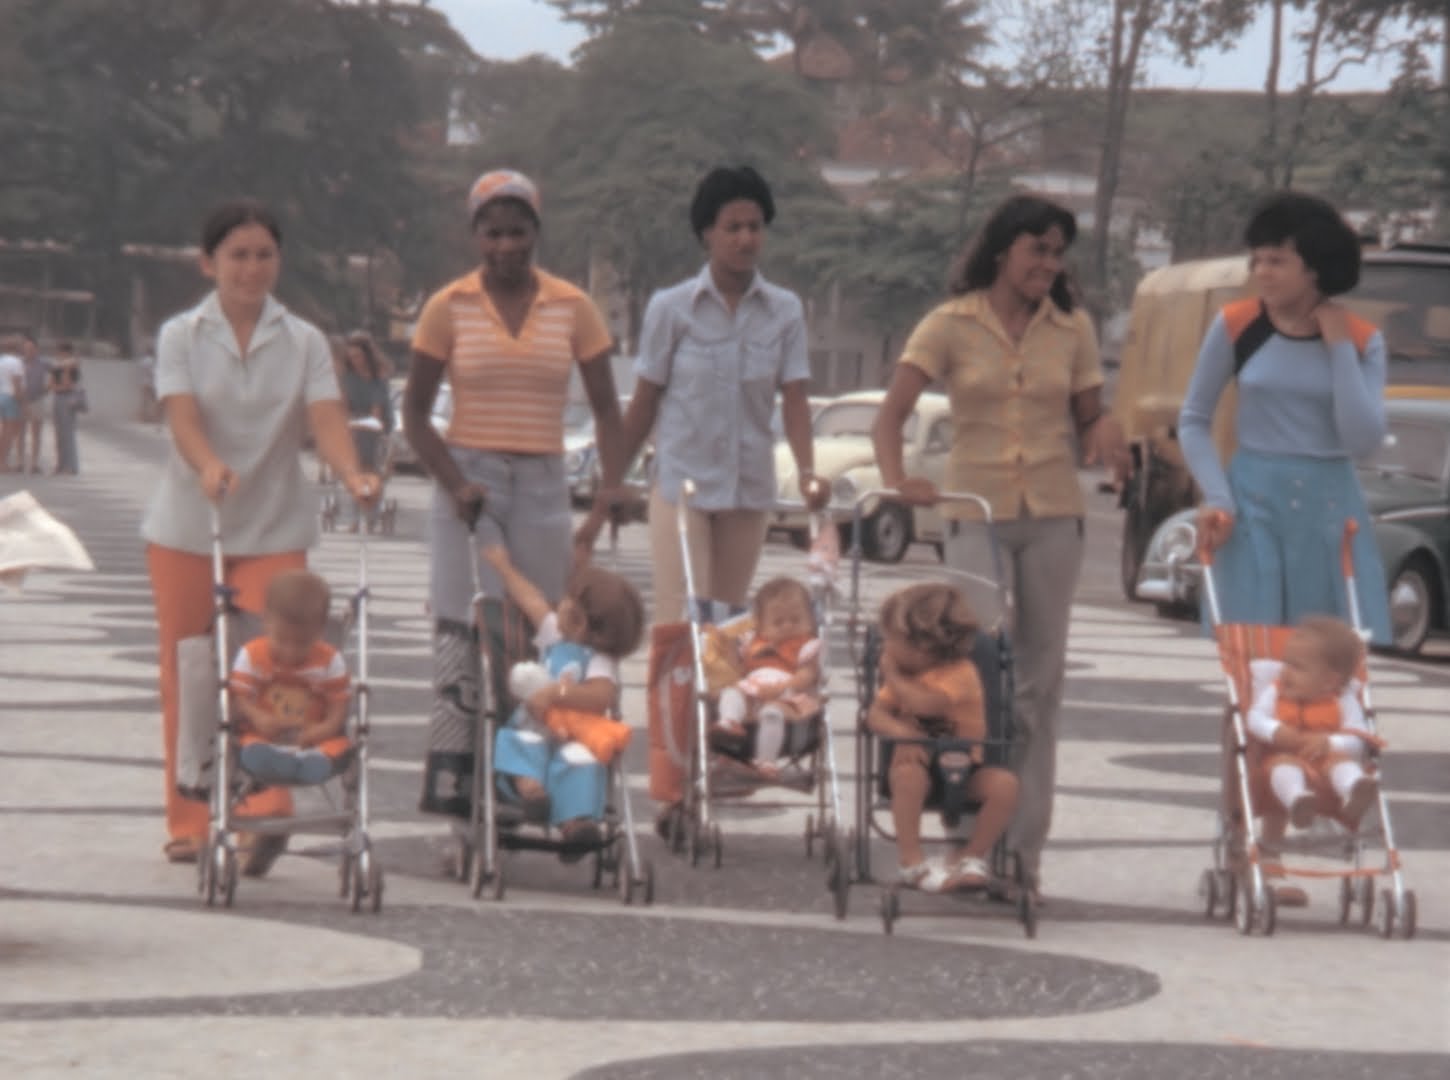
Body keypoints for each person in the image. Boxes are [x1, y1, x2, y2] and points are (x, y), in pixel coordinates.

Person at [871, 193, 1127, 901]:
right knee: (974, 676)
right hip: (972, 513)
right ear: (1002, 251)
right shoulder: (949, 324)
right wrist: (898, 482)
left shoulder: (1071, 328)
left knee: (1039, 686)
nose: (1048, 264)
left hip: (1052, 515)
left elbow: (1088, 415)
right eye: (1036, 249)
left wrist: (1106, 431)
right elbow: (890, 416)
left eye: (1056, 252)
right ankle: (967, 838)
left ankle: (1022, 852)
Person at [143, 198, 379, 872]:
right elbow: (182, 417)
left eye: (264, 255)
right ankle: (191, 817)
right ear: (209, 262)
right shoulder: (182, 335)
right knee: (191, 670)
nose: (251, 268)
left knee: (280, 658)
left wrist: (353, 473)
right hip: (192, 523)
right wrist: (210, 464)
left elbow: (326, 417)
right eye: (238, 255)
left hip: (275, 521)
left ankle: (265, 812)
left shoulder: (302, 339)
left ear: (279, 261)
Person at [403, 169, 626, 819]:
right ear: (475, 235)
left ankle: (535, 784)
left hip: (543, 484)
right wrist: (455, 482)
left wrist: (611, 490)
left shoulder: (572, 306)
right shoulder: (448, 305)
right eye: (493, 233)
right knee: (461, 636)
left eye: (518, 231)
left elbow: (609, 412)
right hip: (467, 482)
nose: (506, 245)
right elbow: (416, 416)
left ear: (536, 232)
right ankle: (453, 805)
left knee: (545, 639)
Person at [582, 165, 828, 624]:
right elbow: (644, 402)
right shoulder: (670, 308)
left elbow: (795, 399)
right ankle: (675, 698)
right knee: (683, 626)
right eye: (732, 228)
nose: (745, 239)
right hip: (683, 489)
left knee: (728, 628)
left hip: (748, 491)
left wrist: (810, 473)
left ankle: (718, 702)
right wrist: (613, 480)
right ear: (707, 235)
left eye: (754, 227)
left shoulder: (785, 311)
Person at [1178, 190, 1391, 642]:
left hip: (1330, 511)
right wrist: (1218, 497)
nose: (1261, 273)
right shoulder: (1236, 324)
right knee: (1249, 662)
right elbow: (1194, 418)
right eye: (1256, 260)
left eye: (1276, 261)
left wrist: (1338, 350)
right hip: (1251, 504)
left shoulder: (1361, 340)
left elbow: (1362, 439)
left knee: (1324, 665)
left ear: (1313, 268)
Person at [483, 543, 645, 854]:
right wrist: (504, 568)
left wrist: (558, 693)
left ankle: (575, 823)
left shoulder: (600, 659)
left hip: (576, 733)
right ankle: (530, 792)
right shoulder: (553, 635)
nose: (558, 605)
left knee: (581, 761)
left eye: (567, 603)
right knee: (516, 739)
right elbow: (531, 599)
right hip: (537, 725)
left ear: (579, 621)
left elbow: (600, 696)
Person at [866, 583, 1019, 893]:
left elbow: (929, 704)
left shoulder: (961, 673)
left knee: (1005, 786)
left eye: (892, 640)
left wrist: (892, 676)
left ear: (921, 646)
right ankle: (911, 860)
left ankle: (972, 856)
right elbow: (875, 715)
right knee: (907, 776)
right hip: (921, 769)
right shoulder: (908, 676)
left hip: (968, 767)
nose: (887, 648)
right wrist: (903, 733)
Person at [1245, 614, 1380, 906]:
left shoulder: (1343, 699)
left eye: (1297, 666)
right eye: (1285, 663)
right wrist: (1275, 730)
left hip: (1325, 764)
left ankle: (1354, 790)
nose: (1285, 672)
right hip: (1286, 758)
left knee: (1342, 761)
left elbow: (1359, 736)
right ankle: (1297, 801)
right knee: (1281, 765)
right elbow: (1254, 717)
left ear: (1329, 681)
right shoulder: (1276, 692)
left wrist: (1329, 741)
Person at [228, 569, 351, 787]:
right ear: (265, 623)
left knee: (339, 749)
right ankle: (282, 763)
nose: (291, 651)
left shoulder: (330, 660)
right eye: (282, 641)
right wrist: (256, 716)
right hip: (263, 733)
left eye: (303, 643)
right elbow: (240, 695)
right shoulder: (253, 655)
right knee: (249, 748)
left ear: (320, 631)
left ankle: (310, 764)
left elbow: (338, 705)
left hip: (314, 736)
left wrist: (326, 728)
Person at [714, 576, 822, 773]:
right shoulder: (753, 642)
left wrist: (779, 689)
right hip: (752, 692)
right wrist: (727, 646)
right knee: (731, 692)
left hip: (788, 694)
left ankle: (766, 760)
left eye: (796, 620)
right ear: (761, 626)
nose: (788, 626)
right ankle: (729, 723)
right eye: (778, 622)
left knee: (771, 712)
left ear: (811, 620)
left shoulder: (807, 646)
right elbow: (740, 669)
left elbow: (806, 675)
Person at [338, 330, 394, 531]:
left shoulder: (379, 378)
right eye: (351, 357)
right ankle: (353, 519)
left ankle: (371, 515)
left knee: (371, 470)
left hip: (376, 427)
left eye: (358, 356)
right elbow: (343, 405)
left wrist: (363, 425)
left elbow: (376, 412)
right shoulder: (348, 377)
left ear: (367, 355)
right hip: (355, 423)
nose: (355, 361)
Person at [18, 333, 50, 474]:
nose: (28, 351)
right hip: (21, 401)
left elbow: (57, 374)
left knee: (36, 433)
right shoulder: (19, 363)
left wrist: (48, 388)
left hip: (37, 400)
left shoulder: (43, 363)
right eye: (26, 348)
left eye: (31, 348)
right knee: (20, 433)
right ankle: (20, 462)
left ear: (36, 349)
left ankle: (34, 463)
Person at [50, 343, 83, 475]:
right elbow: (53, 384)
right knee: (59, 434)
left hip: (68, 398)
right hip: (58, 397)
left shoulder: (71, 366)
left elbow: (67, 383)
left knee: (67, 434)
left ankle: (70, 466)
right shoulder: (57, 366)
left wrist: (66, 367)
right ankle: (60, 464)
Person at [0, 335, 23, 472]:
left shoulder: (1, 361)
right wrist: (22, 403)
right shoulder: (16, 362)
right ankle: (2, 462)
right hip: (10, 397)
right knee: (9, 432)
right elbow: (17, 385)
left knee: (2, 430)